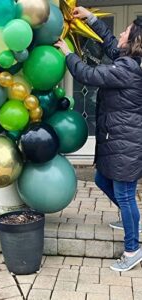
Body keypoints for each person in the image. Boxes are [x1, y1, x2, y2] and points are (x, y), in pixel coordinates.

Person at [55, 7, 142, 272]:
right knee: (102, 180)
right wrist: (90, 19)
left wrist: (68, 54)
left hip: (125, 142)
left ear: (135, 40)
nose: (121, 33)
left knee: (125, 194)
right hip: (120, 139)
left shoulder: (128, 69)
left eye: (126, 31)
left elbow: (88, 75)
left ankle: (133, 249)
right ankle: (133, 220)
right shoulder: (130, 61)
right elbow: (111, 44)